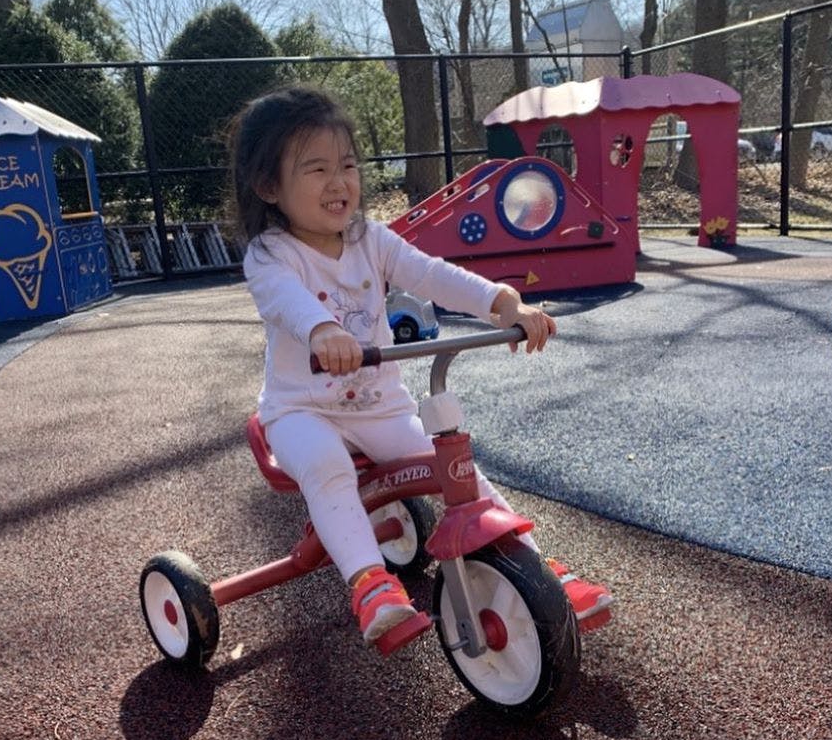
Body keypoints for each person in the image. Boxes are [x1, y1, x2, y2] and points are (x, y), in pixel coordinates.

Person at [228, 85, 613, 652]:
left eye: (349, 166)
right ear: (269, 187)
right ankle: (369, 583)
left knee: (453, 467)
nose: (340, 183)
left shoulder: (370, 239)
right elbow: (286, 299)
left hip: (379, 404)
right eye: (316, 170)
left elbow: (430, 273)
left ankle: (534, 566)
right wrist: (323, 331)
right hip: (301, 409)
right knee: (330, 471)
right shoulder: (271, 254)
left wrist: (502, 302)